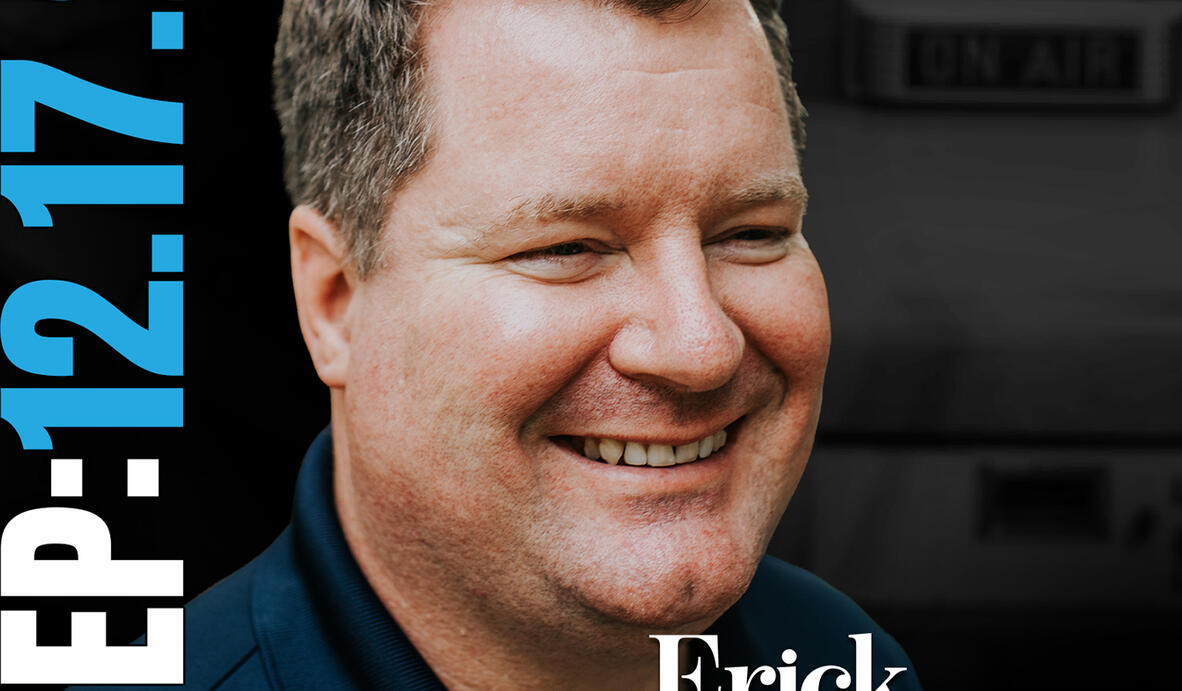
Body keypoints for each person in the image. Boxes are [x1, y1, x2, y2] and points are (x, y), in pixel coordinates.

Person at [85, 0, 921, 688]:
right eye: (566, 248)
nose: (700, 346)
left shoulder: (840, 659)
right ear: (334, 302)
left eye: (751, 232)